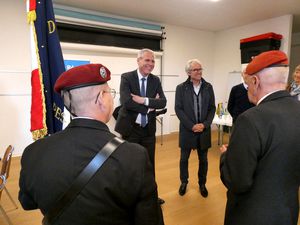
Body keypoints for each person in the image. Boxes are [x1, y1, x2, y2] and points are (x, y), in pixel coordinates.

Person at [19, 64, 164, 225]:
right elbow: (150, 220)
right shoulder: (134, 156)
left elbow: (27, 203)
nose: (112, 98)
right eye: (110, 93)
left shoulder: (33, 152)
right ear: (101, 98)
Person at [220, 50, 300, 225]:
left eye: (247, 83)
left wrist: (227, 156)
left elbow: (237, 181)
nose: (247, 87)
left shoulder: (250, 119)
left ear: (255, 82)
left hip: (251, 215)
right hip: (288, 213)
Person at [115, 48, 167, 204]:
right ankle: (129, 198)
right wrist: (151, 105)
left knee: (149, 164)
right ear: (138, 61)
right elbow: (126, 102)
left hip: (148, 130)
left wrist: (143, 100)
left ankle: (151, 196)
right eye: (147, 60)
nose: (150, 64)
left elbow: (163, 102)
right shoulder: (127, 77)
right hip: (130, 129)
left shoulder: (155, 80)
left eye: (153, 61)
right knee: (130, 164)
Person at [175, 59, 216, 197]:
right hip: (188, 130)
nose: (199, 72)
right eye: (195, 70)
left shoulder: (208, 87)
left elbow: (212, 108)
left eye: (200, 69)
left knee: (203, 159)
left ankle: (202, 183)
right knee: (183, 159)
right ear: (188, 72)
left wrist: (204, 124)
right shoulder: (181, 88)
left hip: (204, 130)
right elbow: (178, 109)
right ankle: (184, 182)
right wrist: (191, 126)